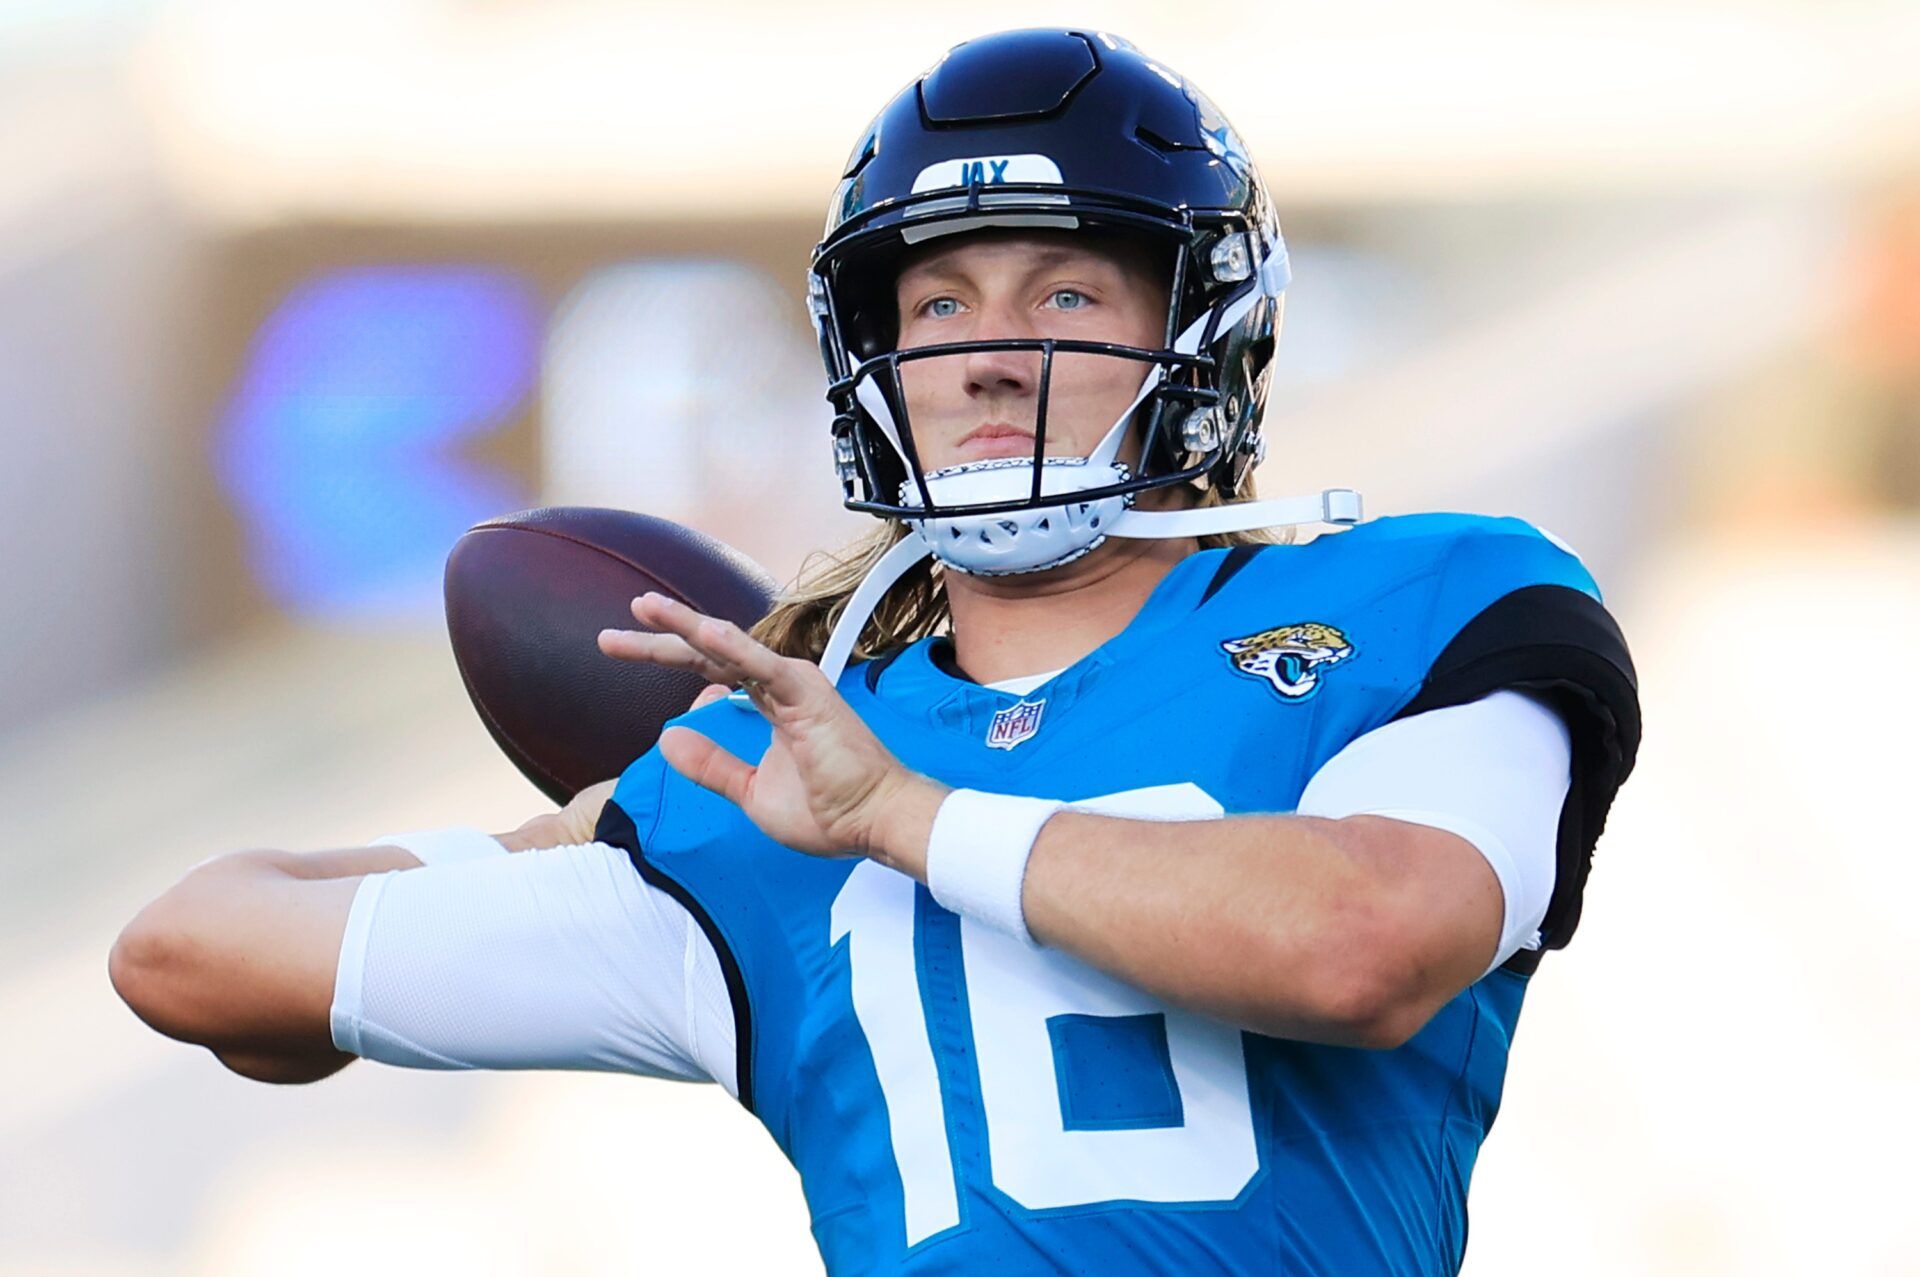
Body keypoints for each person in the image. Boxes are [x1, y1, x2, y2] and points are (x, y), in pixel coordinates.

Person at [109, 29, 1640, 1276]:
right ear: (873, 363)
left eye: (1062, 292)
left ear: (1204, 331)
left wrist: (903, 818)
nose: (985, 350)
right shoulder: (750, 812)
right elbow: (193, 953)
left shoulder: (1423, 599)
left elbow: (1366, 942)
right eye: (936, 300)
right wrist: (600, 830)